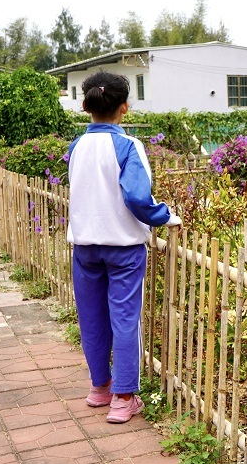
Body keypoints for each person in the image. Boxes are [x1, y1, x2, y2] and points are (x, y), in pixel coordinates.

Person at [66, 71, 181, 423]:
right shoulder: (129, 147)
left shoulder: (75, 146)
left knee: (92, 320)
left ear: (85, 106)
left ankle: (99, 388)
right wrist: (165, 216)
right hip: (124, 249)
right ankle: (124, 397)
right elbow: (136, 196)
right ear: (125, 108)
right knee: (125, 320)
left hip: (85, 246)